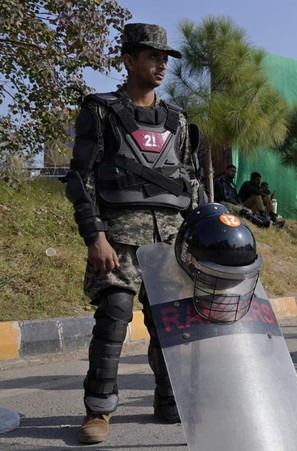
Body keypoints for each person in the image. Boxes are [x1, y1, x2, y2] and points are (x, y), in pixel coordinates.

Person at [62, 23, 198, 444]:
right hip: (119, 240)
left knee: (169, 325)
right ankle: (99, 410)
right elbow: (79, 179)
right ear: (129, 60)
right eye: (153, 57)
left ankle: (169, 399)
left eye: (164, 59)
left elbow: (191, 182)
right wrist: (94, 236)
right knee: (114, 317)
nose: (161, 65)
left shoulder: (178, 119)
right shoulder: (101, 110)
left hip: (171, 241)